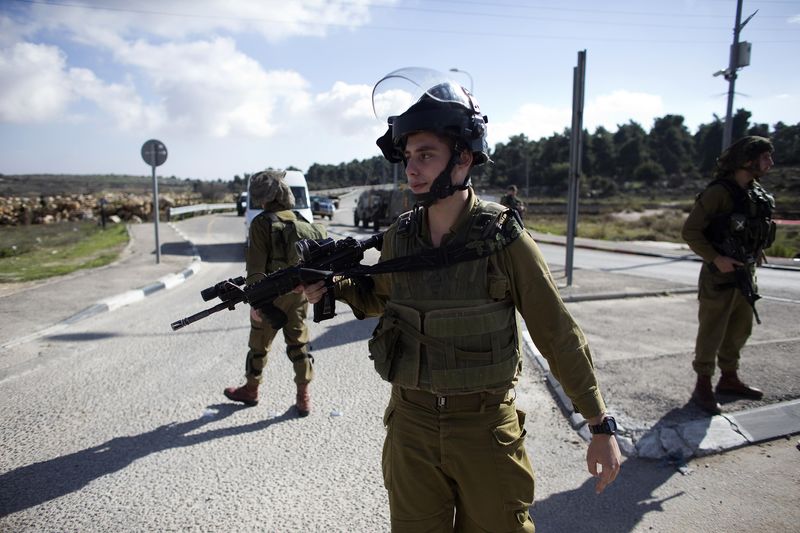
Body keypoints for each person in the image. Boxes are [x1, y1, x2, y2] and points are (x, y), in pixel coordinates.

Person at [300, 68, 620, 531]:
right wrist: (333, 288)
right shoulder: (401, 237)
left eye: (426, 154)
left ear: (464, 158)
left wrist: (598, 423)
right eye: (408, 155)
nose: (412, 167)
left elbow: (556, 332)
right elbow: (379, 298)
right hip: (410, 426)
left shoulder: (503, 239)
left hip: (484, 428)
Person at [681, 136, 776, 415]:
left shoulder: (755, 193)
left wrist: (755, 250)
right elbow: (691, 231)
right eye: (765, 156)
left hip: (745, 274)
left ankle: (729, 377)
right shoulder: (719, 193)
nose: (770, 162)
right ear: (748, 160)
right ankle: (702, 386)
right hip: (719, 277)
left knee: (739, 329)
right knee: (712, 331)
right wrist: (716, 258)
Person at [224, 170, 322, 417]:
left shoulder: (261, 223)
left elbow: (255, 269)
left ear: (263, 197)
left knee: (258, 345)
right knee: (299, 345)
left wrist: (255, 302)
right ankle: (303, 397)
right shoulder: (301, 220)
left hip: (269, 297)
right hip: (298, 295)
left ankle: (251, 389)